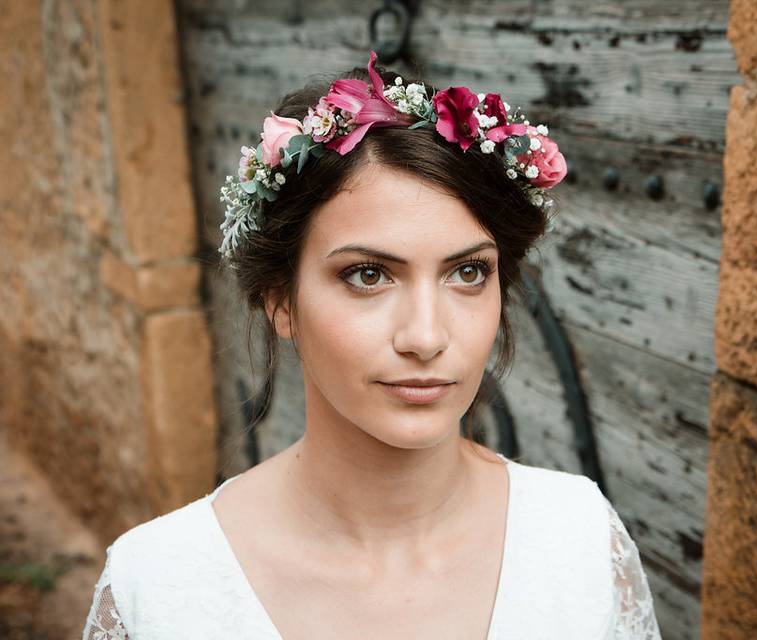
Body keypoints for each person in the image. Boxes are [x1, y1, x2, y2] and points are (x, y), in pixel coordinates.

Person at [81, 50, 661, 640]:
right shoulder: (157, 587)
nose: (426, 337)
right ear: (280, 299)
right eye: (368, 274)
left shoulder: (583, 539)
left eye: (467, 274)